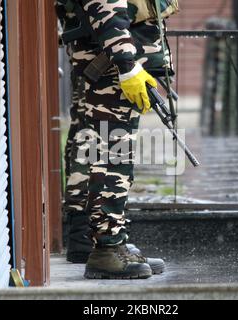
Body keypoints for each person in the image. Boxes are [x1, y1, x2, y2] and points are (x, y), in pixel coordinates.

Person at [57, 0, 178, 279]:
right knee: (111, 154)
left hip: (115, 58)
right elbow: (105, 5)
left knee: (113, 151)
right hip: (112, 63)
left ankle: (113, 242)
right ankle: (107, 248)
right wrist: (126, 63)